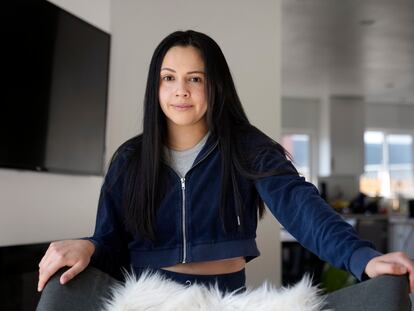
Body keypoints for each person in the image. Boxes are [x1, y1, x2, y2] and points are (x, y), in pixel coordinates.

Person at [37, 30, 414, 310]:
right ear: (156, 87)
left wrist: (363, 258)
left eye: (194, 79)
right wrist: (87, 245)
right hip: (144, 299)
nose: (180, 90)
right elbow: (110, 242)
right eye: (169, 78)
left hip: (223, 299)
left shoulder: (248, 148)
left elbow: (302, 209)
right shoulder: (130, 159)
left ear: (215, 85)